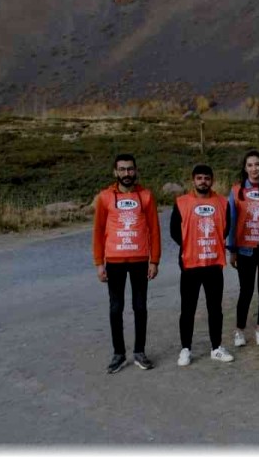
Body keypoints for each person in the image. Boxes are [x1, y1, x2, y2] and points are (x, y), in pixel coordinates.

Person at [92, 153, 161, 373]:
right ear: (115, 172)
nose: (126, 174)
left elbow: (154, 230)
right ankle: (118, 354)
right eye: (122, 169)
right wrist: (99, 263)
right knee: (116, 308)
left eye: (130, 169)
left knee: (140, 307)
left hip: (140, 260)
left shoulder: (146, 196)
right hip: (114, 260)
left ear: (136, 170)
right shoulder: (104, 197)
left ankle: (139, 352)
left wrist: (155, 260)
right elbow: (98, 231)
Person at [170, 164, 234, 367]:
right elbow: (174, 231)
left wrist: (209, 244)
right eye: (199, 178)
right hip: (190, 264)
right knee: (187, 309)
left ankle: (216, 348)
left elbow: (226, 228)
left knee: (215, 308)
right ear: (193, 180)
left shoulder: (223, 202)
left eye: (207, 178)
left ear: (212, 180)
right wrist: (192, 243)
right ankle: (185, 349)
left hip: (214, 263)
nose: (203, 181)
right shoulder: (181, 202)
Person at [226, 150, 259, 348]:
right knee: (245, 290)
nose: (254, 168)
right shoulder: (237, 190)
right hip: (244, 248)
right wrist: (232, 249)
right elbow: (231, 221)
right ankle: (239, 330)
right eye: (250, 165)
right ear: (245, 168)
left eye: (257, 164)